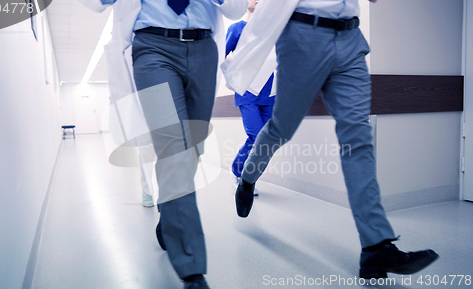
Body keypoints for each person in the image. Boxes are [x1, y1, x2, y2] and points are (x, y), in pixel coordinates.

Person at [222, 0, 439, 280]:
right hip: (303, 33)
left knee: (358, 136)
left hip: (350, 38)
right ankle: (248, 177)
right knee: (280, 128)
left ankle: (376, 246)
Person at [77, 0, 247, 288]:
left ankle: (171, 216)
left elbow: (235, 9)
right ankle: (191, 270)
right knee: (174, 148)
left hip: (204, 49)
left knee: (193, 148)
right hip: (152, 49)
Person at [226, 0, 275, 194]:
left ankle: (248, 176)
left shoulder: (273, 31)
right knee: (256, 136)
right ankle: (239, 174)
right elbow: (221, 56)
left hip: (271, 93)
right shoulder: (237, 28)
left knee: (267, 141)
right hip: (247, 92)